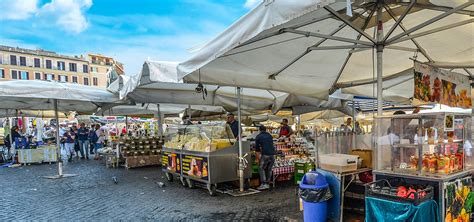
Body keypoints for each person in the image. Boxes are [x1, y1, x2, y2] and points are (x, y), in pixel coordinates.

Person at [255, 125, 275, 190]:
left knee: (261, 168)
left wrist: (257, 158)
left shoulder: (258, 137)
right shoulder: (269, 135)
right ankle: (268, 183)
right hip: (272, 154)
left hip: (265, 154)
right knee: (269, 168)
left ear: (259, 130)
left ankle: (263, 184)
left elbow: (257, 149)